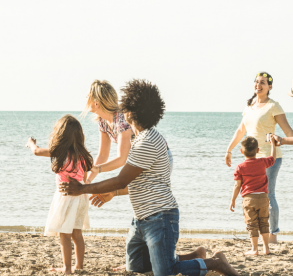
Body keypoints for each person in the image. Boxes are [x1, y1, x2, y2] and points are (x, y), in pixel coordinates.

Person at [60, 79, 240, 276]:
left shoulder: (143, 139)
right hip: (142, 216)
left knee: (164, 271)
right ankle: (191, 256)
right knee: (136, 266)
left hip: (160, 214)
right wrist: (97, 179)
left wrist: (84, 188)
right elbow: (123, 173)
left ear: (129, 113)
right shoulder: (126, 132)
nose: (122, 111)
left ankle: (214, 263)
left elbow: (122, 175)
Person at [225, 72, 293, 244]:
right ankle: (257, 234)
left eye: (263, 82)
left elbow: (289, 134)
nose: (258, 85)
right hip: (251, 161)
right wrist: (229, 150)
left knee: (268, 195)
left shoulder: (274, 106)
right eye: (256, 82)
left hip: (270, 159)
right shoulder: (249, 106)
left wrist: (280, 140)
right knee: (252, 195)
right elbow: (241, 130)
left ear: (270, 87)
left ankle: (273, 235)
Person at [26, 115, 93, 274]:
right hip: (81, 198)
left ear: (61, 135)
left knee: (64, 233)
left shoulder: (60, 153)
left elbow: (36, 152)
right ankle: (79, 267)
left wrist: (31, 143)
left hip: (66, 198)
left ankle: (67, 269)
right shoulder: (83, 156)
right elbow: (84, 179)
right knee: (77, 233)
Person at [230, 136, 276, 256]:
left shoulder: (240, 167)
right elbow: (272, 159)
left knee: (252, 224)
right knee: (264, 222)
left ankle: (255, 249)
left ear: (241, 151)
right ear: (258, 150)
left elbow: (237, 186)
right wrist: (273, 145)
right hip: (263, 198)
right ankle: (266, 249)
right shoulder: (262, 162)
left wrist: (233, 200)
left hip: (249, 199)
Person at [83, 80, 133, 184]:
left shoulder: (121, 120)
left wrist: (98, 169)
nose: (86, 99)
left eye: (88, 96)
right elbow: (102, 155)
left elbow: (121, 159)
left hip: (156, 157)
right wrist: (87, 181)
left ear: (96, 103)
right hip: (141, 160)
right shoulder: (103, 121)